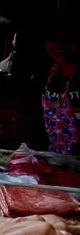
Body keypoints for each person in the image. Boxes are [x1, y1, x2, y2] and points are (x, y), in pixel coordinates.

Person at [41, 27, 80, 155]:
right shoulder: (52, 72)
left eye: (68, 38)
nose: (59, 44)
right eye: (53, 38)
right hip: (56, 156)